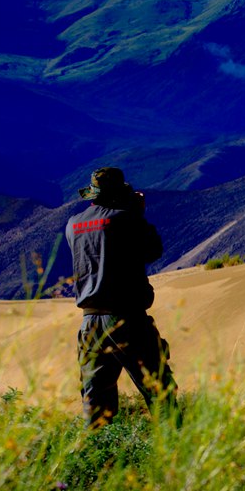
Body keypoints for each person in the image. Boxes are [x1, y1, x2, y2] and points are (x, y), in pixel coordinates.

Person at [65, 167, 178, 426]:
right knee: (160, 393)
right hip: (127, 321)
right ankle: (176, 455)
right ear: (118, 194)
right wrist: (137, 213)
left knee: (96, 408)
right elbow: (152, 249)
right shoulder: (126, 219)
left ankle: (99, 461)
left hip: (89, 324)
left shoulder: (73, 225)